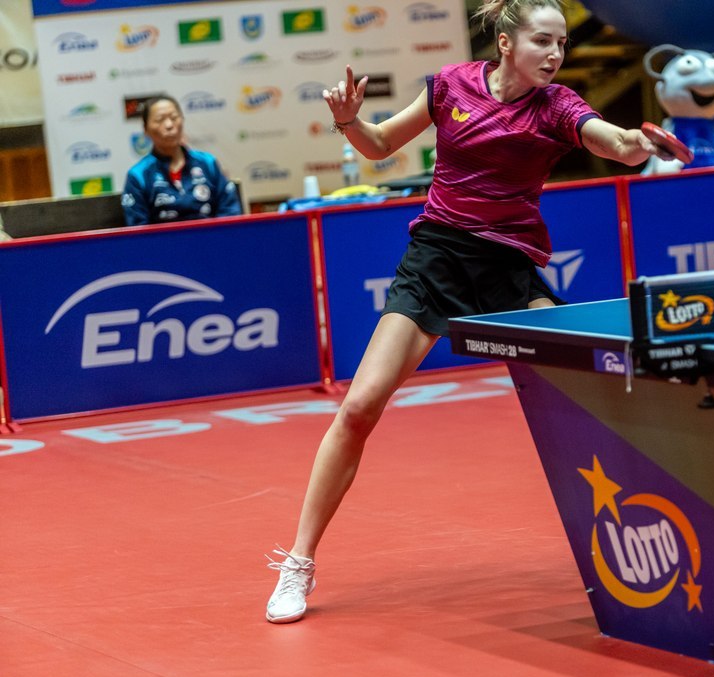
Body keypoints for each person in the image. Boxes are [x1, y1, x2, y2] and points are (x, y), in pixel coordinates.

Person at [265, 0, 672, 624]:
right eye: (543, 41)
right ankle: (299, 563)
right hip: (436, 260)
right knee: (359, 406)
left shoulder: (557, 106)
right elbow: (379, 145)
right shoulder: (451, 85)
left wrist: (641, 142)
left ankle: (646, 534)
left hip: (508, 270)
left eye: (562, 43)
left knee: (588, 395)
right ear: (506, 42)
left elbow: (615, 144)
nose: (555, 54)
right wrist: (348, 121)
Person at [121, 95, 242, 226]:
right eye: (160, 120)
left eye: (174, 118)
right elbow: (138, 229)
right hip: (164, 239)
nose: (169, 125)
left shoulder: (208, 163)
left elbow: (230, 213)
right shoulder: (138, 175)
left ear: (182, 120)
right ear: (146, 129)